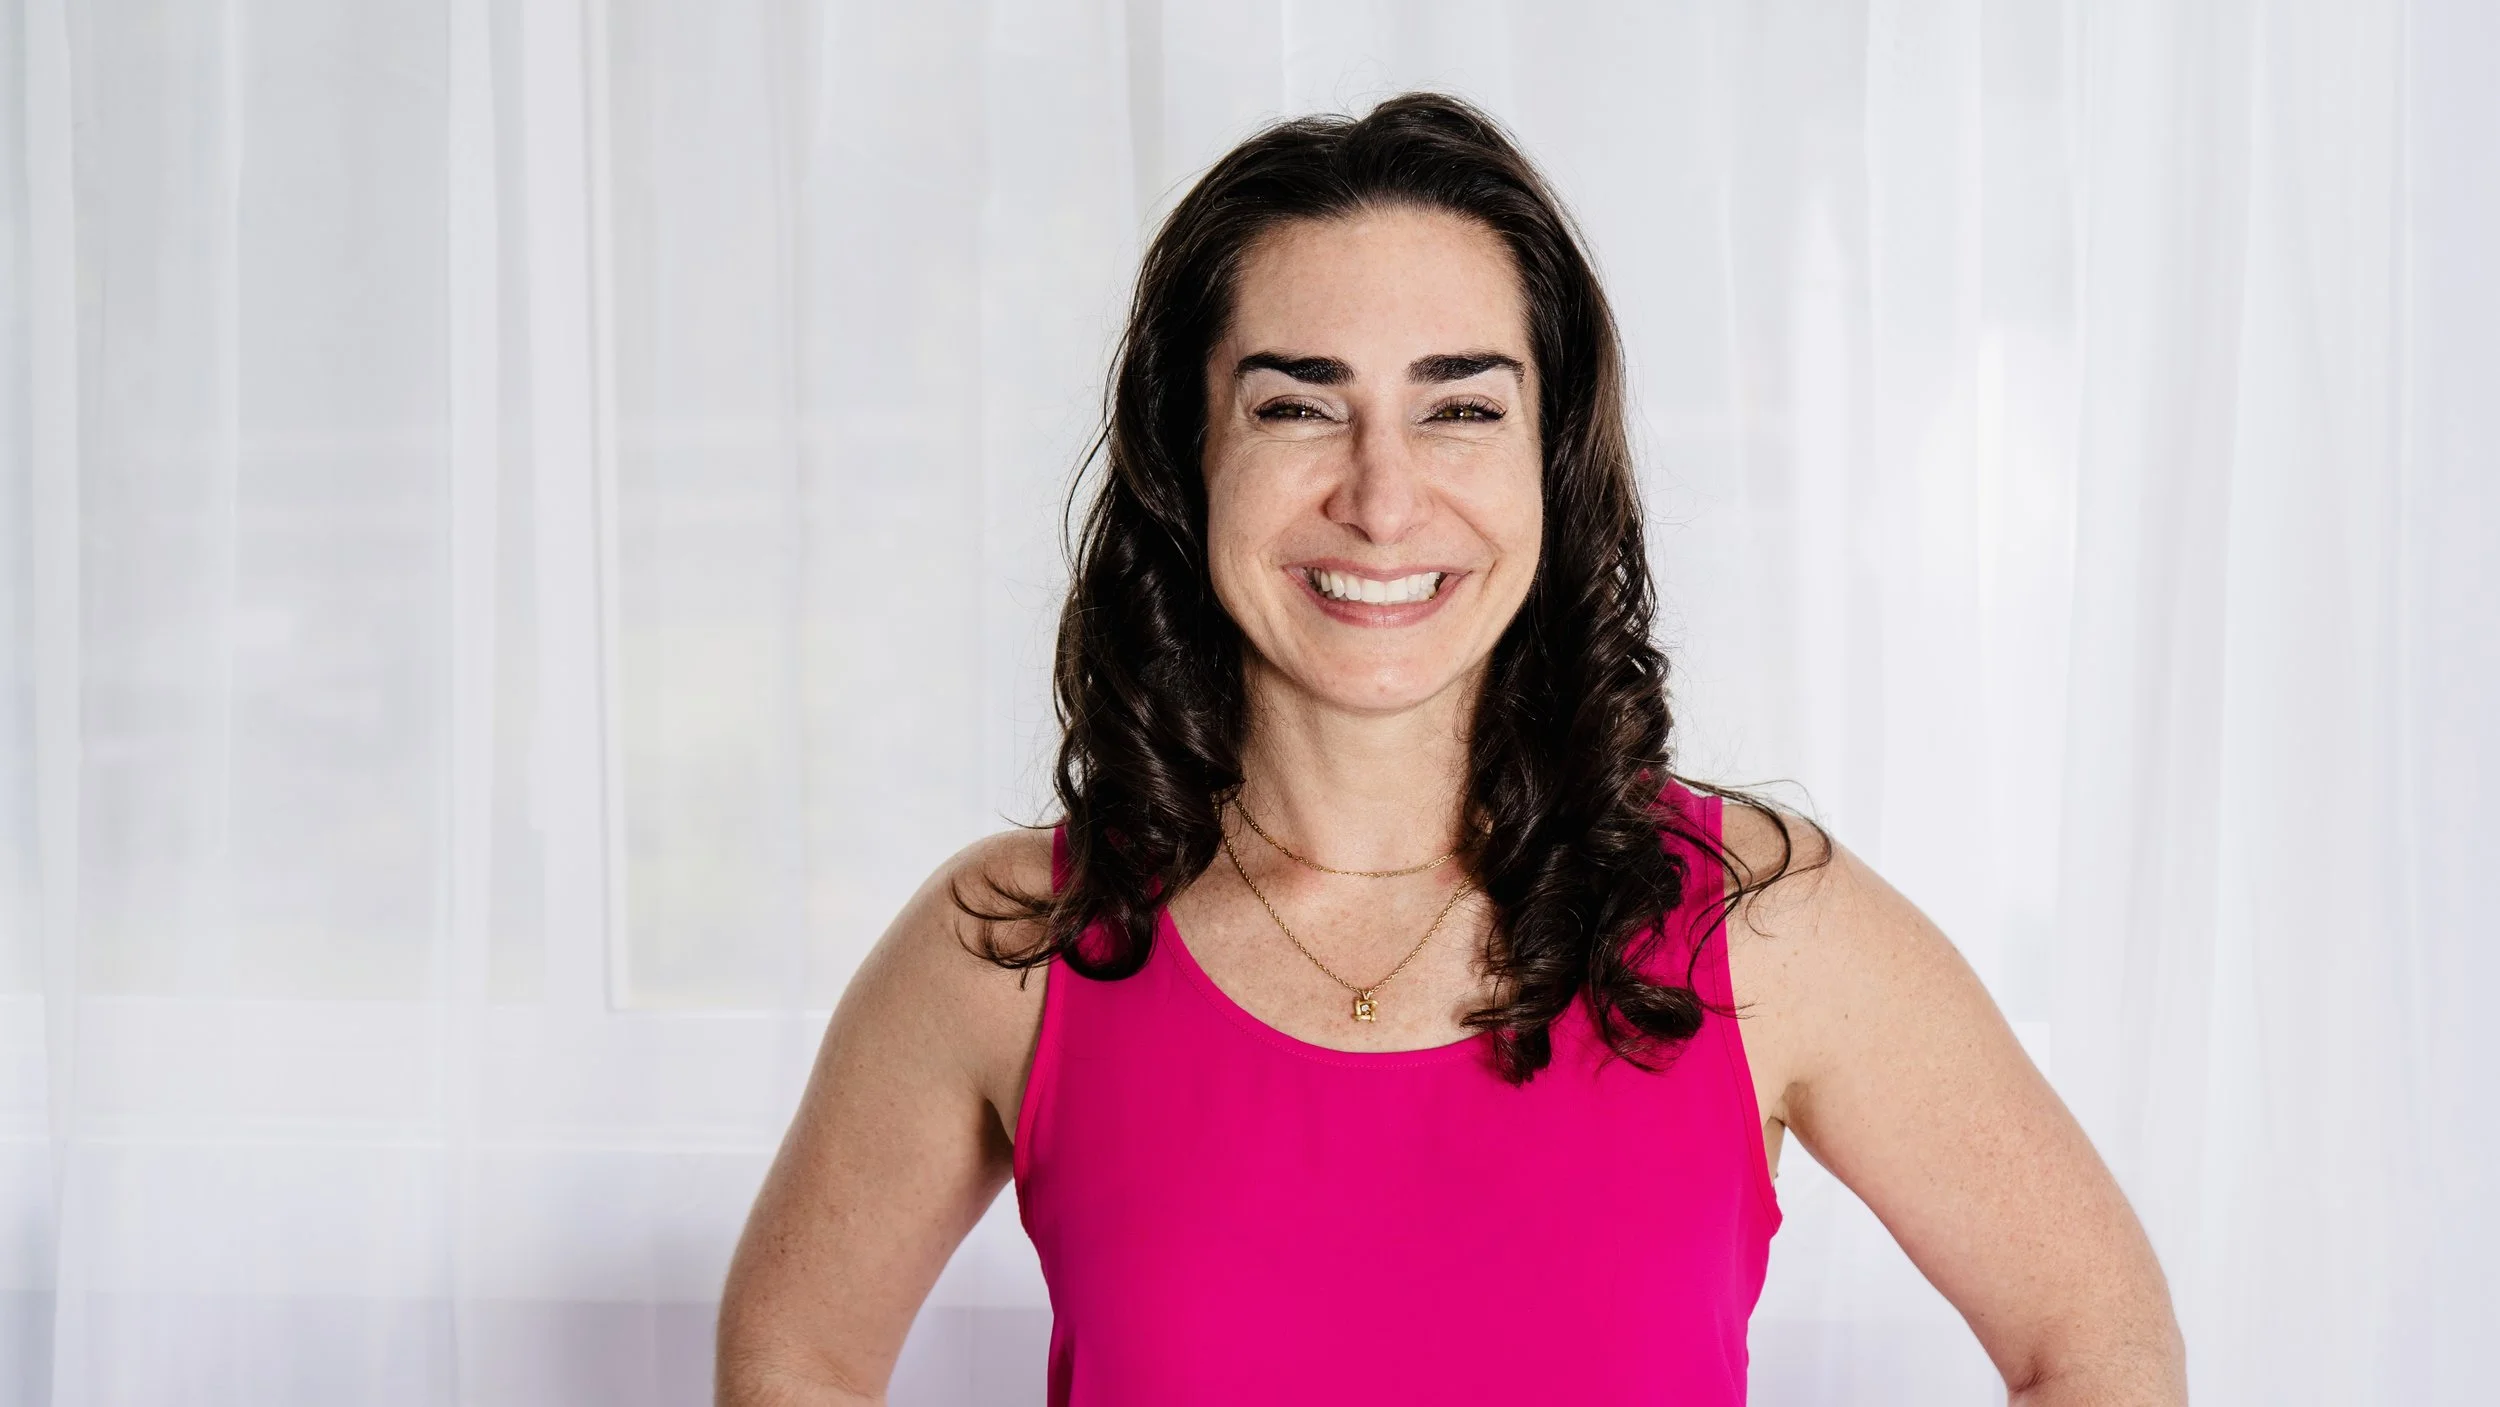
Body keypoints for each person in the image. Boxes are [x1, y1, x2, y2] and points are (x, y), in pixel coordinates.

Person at [716, 92, 2185, 1406]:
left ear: (1549, 461)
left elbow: (2096, 1339)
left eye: (1461, 407)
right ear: (1188, 455)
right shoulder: (1014, 949)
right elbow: (797, 1359)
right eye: (1297, 405)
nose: (1383, 494)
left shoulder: (1762, 921)